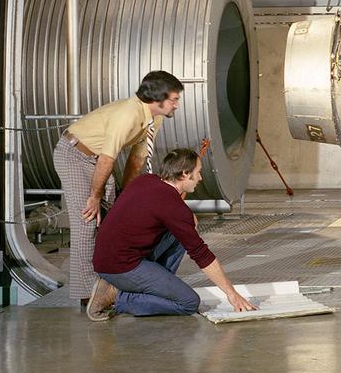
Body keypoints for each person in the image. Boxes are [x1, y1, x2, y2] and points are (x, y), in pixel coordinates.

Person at [52, 70, 185, 308]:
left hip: (96, 160)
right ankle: (88, 295)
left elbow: (136, 159)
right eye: (173, 100)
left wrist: (126, 196)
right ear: (157, 99)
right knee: (88, 219)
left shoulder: (155, 117)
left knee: (113, 220)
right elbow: (107, 159)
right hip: (74, 155)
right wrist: (94, 197)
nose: (176, 105)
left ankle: (113, 281)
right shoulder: (128, 115)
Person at [87, 147, 256, 320]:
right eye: (198, 172)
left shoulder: (146, 180)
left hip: (106, 258)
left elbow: (168, 210)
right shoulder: (172, 206)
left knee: (181, 232)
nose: (200, 178)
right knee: (188, 302)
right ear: (184, 174)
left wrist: (186, 217)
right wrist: (231, 293)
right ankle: (118, 297)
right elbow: (201, 254)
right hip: (121, 266)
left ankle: (153, 288)